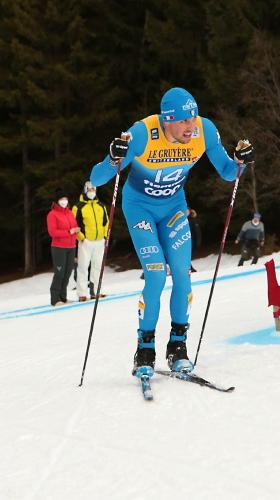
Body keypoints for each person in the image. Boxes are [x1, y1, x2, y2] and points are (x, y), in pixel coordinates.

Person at [90, 87, 254, 377]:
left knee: (181, 272)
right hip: (139, 206)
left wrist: (242, 161)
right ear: (166, 120)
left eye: (193, 118)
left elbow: (229, 172)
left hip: (173, 207)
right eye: (183, 121)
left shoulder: (204, 130)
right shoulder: (141, 134)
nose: (191, 127)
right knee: (155, 274)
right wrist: (114, 157)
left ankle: (178, 346)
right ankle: (145, 349)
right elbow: (97, 177)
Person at [72, 181, 109, 301]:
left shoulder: (101, 205)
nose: (91, 192)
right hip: (86, 241)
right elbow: (73, 224)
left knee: (97, 266)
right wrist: (82, 238)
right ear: (85, 191)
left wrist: (104, 236)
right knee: (83, 266)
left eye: (93, 190)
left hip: (99, 241)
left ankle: (96, 291)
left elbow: (106, 222)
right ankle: (82, 293)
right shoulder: (78, 207)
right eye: (89, 190)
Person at [46, 188, 80, 306]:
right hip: (59, 247)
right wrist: (69, 232)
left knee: (67, 273)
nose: (64, 201)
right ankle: (55, 298)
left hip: (71, 246)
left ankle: (63, 296)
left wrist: (76, 230)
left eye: (65, 199)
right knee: (59, 273)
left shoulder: (70, 212)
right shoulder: (52, 214)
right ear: (56, 201)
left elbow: (74, 225)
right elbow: (52, 232)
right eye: (62, 199)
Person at [187, 207, 202, 271]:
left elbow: (197, 233)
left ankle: (189, 267)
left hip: (190, 241)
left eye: (186, 211)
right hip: (183, 241)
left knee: (187, 255)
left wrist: (197, 243)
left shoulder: (193, 221)